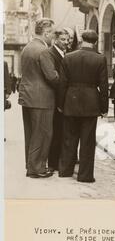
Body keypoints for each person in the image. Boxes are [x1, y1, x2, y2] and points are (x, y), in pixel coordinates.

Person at [58, 30, 108, 183]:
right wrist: (104, 108)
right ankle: (85, 175)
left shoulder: (68, 57)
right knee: (87, 141)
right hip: (91, 102)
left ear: (81, 39)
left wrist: (61, 104)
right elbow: (104, 86)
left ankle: (65, 170)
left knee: (69, 139)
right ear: (95, 41)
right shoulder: (100, 58)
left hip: (71, 101)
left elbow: (62, 84)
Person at [18, 18, 55, 178]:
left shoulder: (27, 48)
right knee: (43, 133)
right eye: (52, 33)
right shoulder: (43, 50)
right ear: (46, 33)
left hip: (27, 96)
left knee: (31, 133)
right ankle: (37, 168)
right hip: (42, 98)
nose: (52, 36)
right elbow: (51, 76)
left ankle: (31, 164)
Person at [42, 28, 70, 172]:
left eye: (67, 39)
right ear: (55, 39)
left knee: (62, 131)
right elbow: (54, 79)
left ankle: (60, 160)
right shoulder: (50, 54)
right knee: (56, 131)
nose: (66, 42)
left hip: (63, 99)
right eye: (63, 39)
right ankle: (53, 163)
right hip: (55, 99)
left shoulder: (65, 54)